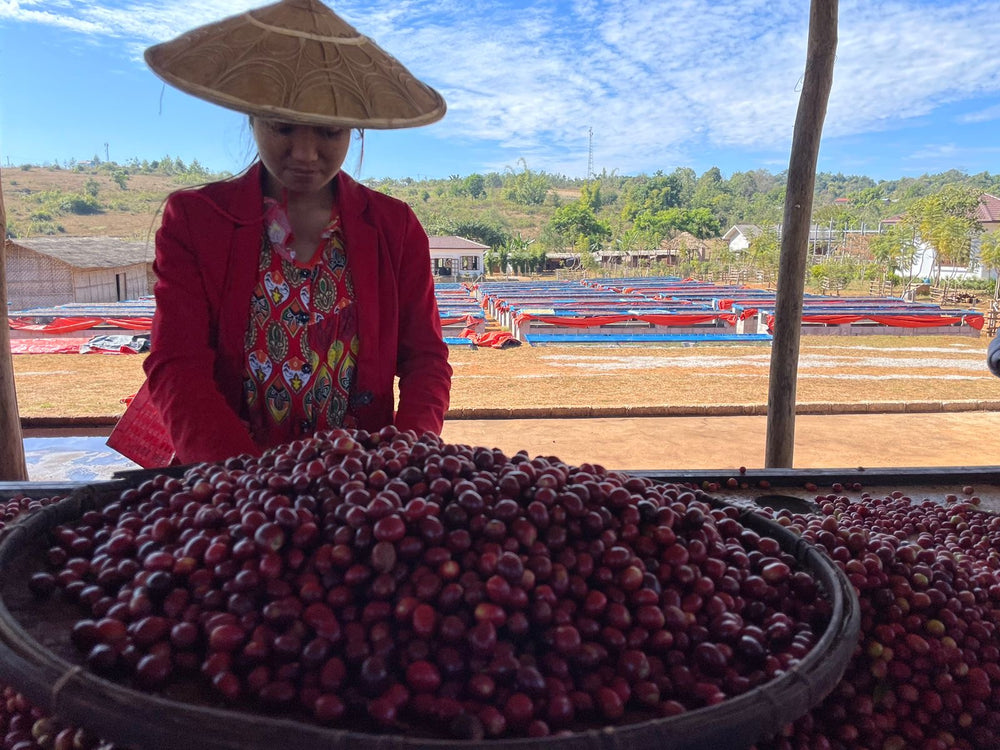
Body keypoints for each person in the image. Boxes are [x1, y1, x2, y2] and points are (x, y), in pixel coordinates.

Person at [113, 0, 452, 466]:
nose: (306, 153)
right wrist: (241, 481)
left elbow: (426, 362)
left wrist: (402, 460)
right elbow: (178, 365)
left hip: (360, 483)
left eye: (328, 133)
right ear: (251, 118)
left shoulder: (394, 228)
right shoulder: (195, 219)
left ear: (353, 129)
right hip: (229, 480)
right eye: (283, 128)